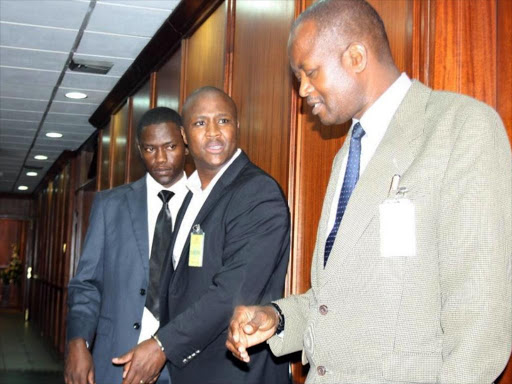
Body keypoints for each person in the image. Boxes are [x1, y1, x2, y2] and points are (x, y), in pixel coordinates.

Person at [226, 1, 512, 383]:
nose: (303, 90)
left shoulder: (460, 128)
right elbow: (337, 299)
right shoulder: (348, 153)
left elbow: (481, 313)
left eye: (309, 73)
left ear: (357, 56)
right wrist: (276, 319)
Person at [112, 86, 291, 384]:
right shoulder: (191, 194)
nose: (213, 133)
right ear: (184, 135)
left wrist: (162, 345)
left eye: (223, 121)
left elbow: (232, 293)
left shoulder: (257, 192)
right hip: (190, 370)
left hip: (235, 373)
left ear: (237, 127)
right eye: (200, 123)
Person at [65, 107, 188, 384]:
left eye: (170, 146)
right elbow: (87, 283)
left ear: (185, 141)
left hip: (183, 366)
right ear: (138, 149)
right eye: (150, 149)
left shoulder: (205, 205)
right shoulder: (111, 205)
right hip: (116, 360)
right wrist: (78, 341)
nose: (160, 159)